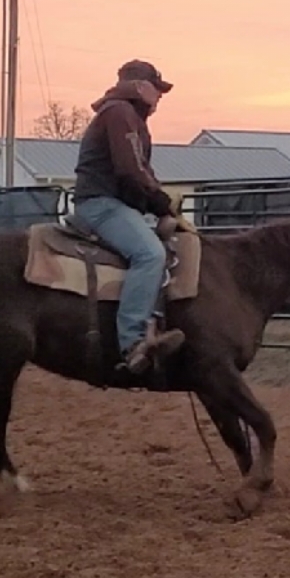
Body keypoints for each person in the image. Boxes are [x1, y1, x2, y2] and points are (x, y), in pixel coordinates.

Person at [72, 59, 186, 375]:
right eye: (158, 88)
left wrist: (157, 200)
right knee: (150, 253)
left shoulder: (128, 116)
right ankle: (133, 341)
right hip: (100, 203)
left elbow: (139, 170)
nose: (161, 95)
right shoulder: (120, 113)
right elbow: (129, 169)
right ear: (140, 86)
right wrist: (157, 199)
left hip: (112, 202)